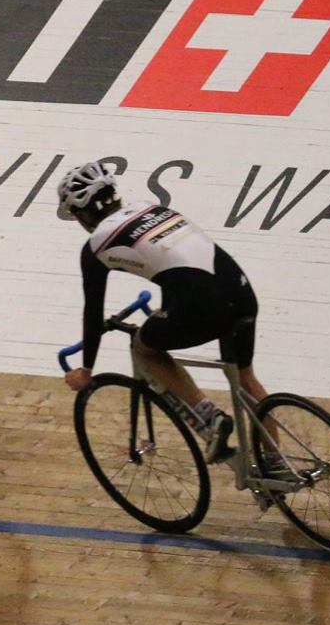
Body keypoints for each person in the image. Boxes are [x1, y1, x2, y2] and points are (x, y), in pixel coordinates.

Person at [56, 162, 264, 465]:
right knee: (246, 378)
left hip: (202, 306)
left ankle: (209, 416)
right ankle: (276, 465)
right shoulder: (150, 207)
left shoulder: (96, 247)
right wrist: (168, 311)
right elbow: (174, 266)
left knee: (143, 347)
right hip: (241, 293)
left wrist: (86, 369)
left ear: (81, 214)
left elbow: (93, 311)